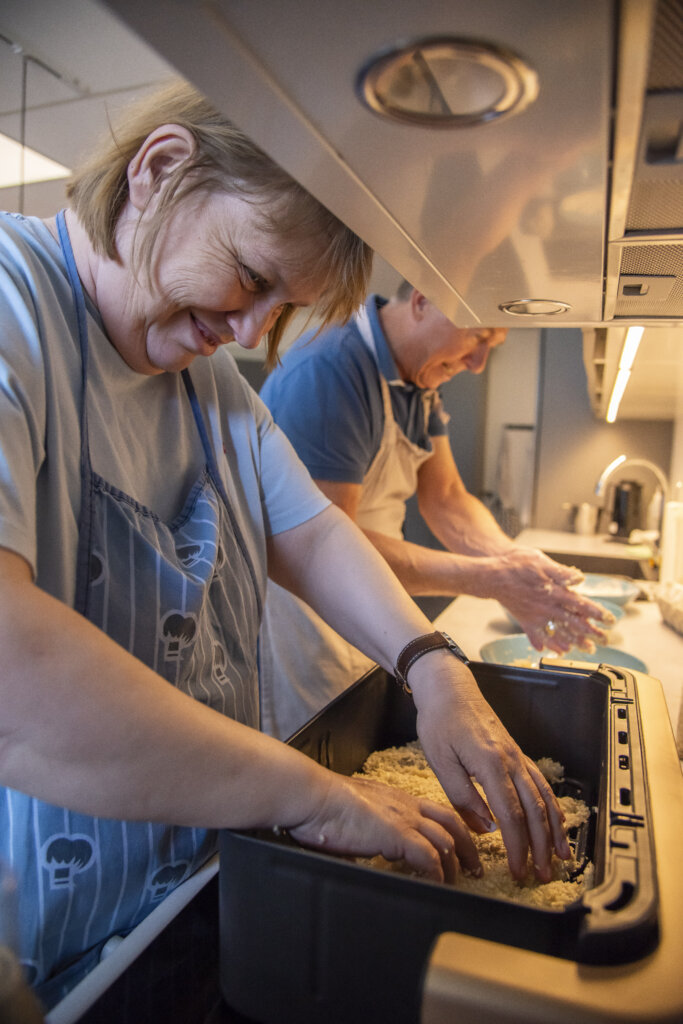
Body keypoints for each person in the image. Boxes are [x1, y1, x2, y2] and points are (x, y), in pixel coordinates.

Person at [0, 81, 570, 1010]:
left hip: (195, 885)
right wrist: (308, 794)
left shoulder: (207, 382)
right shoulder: (13, 307)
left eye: (282, 309)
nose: (251, 331)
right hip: (55, 944)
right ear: (160, 171)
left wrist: (434, 668)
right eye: (254, 278)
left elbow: (307, 531)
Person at [259, 284, 612, 739]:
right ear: (423, 300)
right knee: (321, 769)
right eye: (479, 336)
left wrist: (513, 566)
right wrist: (490, 579)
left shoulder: (418, 377)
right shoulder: (330, 375)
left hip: (370, 604)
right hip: (305, 622)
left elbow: (445, 497)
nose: (478, 363)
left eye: (493, 345)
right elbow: (331, 549)